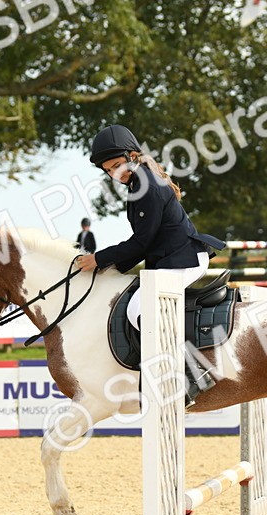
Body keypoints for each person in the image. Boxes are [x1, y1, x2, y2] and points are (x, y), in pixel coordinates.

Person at [74, 124, 226, 404]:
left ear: (132, 156)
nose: (114, 174)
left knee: (138, 309)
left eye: (117, 165)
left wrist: (100, 259)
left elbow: (141, 242)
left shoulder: (147, 186)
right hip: (168, 258)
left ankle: (187, 379)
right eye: (108, 170)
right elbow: (144, 242)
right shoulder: (138, 182)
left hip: (183, 259)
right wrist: (111, 266)